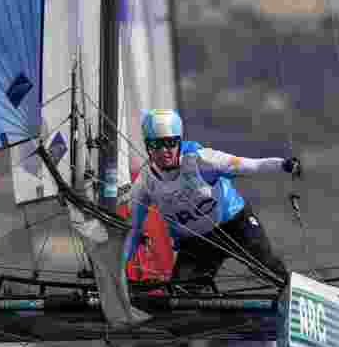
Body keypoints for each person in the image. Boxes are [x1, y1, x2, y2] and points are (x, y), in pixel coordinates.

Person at [122, 108, 300, 289]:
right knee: (181, 295)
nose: (164, 151)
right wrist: (119, 270)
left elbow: (251, 165)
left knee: (268, 267)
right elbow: (133, 230)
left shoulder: (203, 160)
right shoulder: (145, 183)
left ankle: (293, 293)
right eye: (156, 145)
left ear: (179, 141)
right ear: (147, 146)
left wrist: (283, 165)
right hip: (197, 243)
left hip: (236, 226)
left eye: (170, 143)